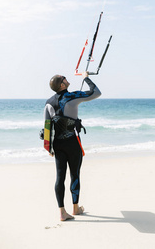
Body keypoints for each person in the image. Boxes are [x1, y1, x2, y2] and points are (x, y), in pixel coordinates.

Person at [44, 71, 101, 221]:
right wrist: (85, 77)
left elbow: (47, 127)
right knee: (74, 174)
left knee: (60, 177)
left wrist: (48, 147)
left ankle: (62, 212)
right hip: (72, 142)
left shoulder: (48, 102)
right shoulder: (72, 96)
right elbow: (96, 92)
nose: (67, 79)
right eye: (64, 78)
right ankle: (75, 208)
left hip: (57, 144)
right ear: (62, 84)